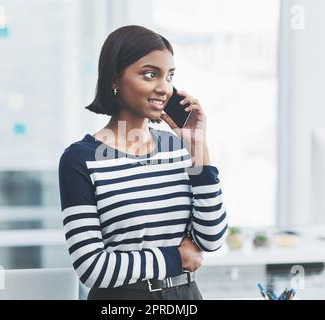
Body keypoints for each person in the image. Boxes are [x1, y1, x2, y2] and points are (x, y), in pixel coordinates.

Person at [58, 25, 228, 300]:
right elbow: (92, 269)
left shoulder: (180, 148)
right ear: (115, 78)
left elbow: (211, 239)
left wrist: (198, 146)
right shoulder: (80, 159)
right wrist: (176, 258)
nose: (164, 88)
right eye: (150, 74)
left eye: (170, 76)